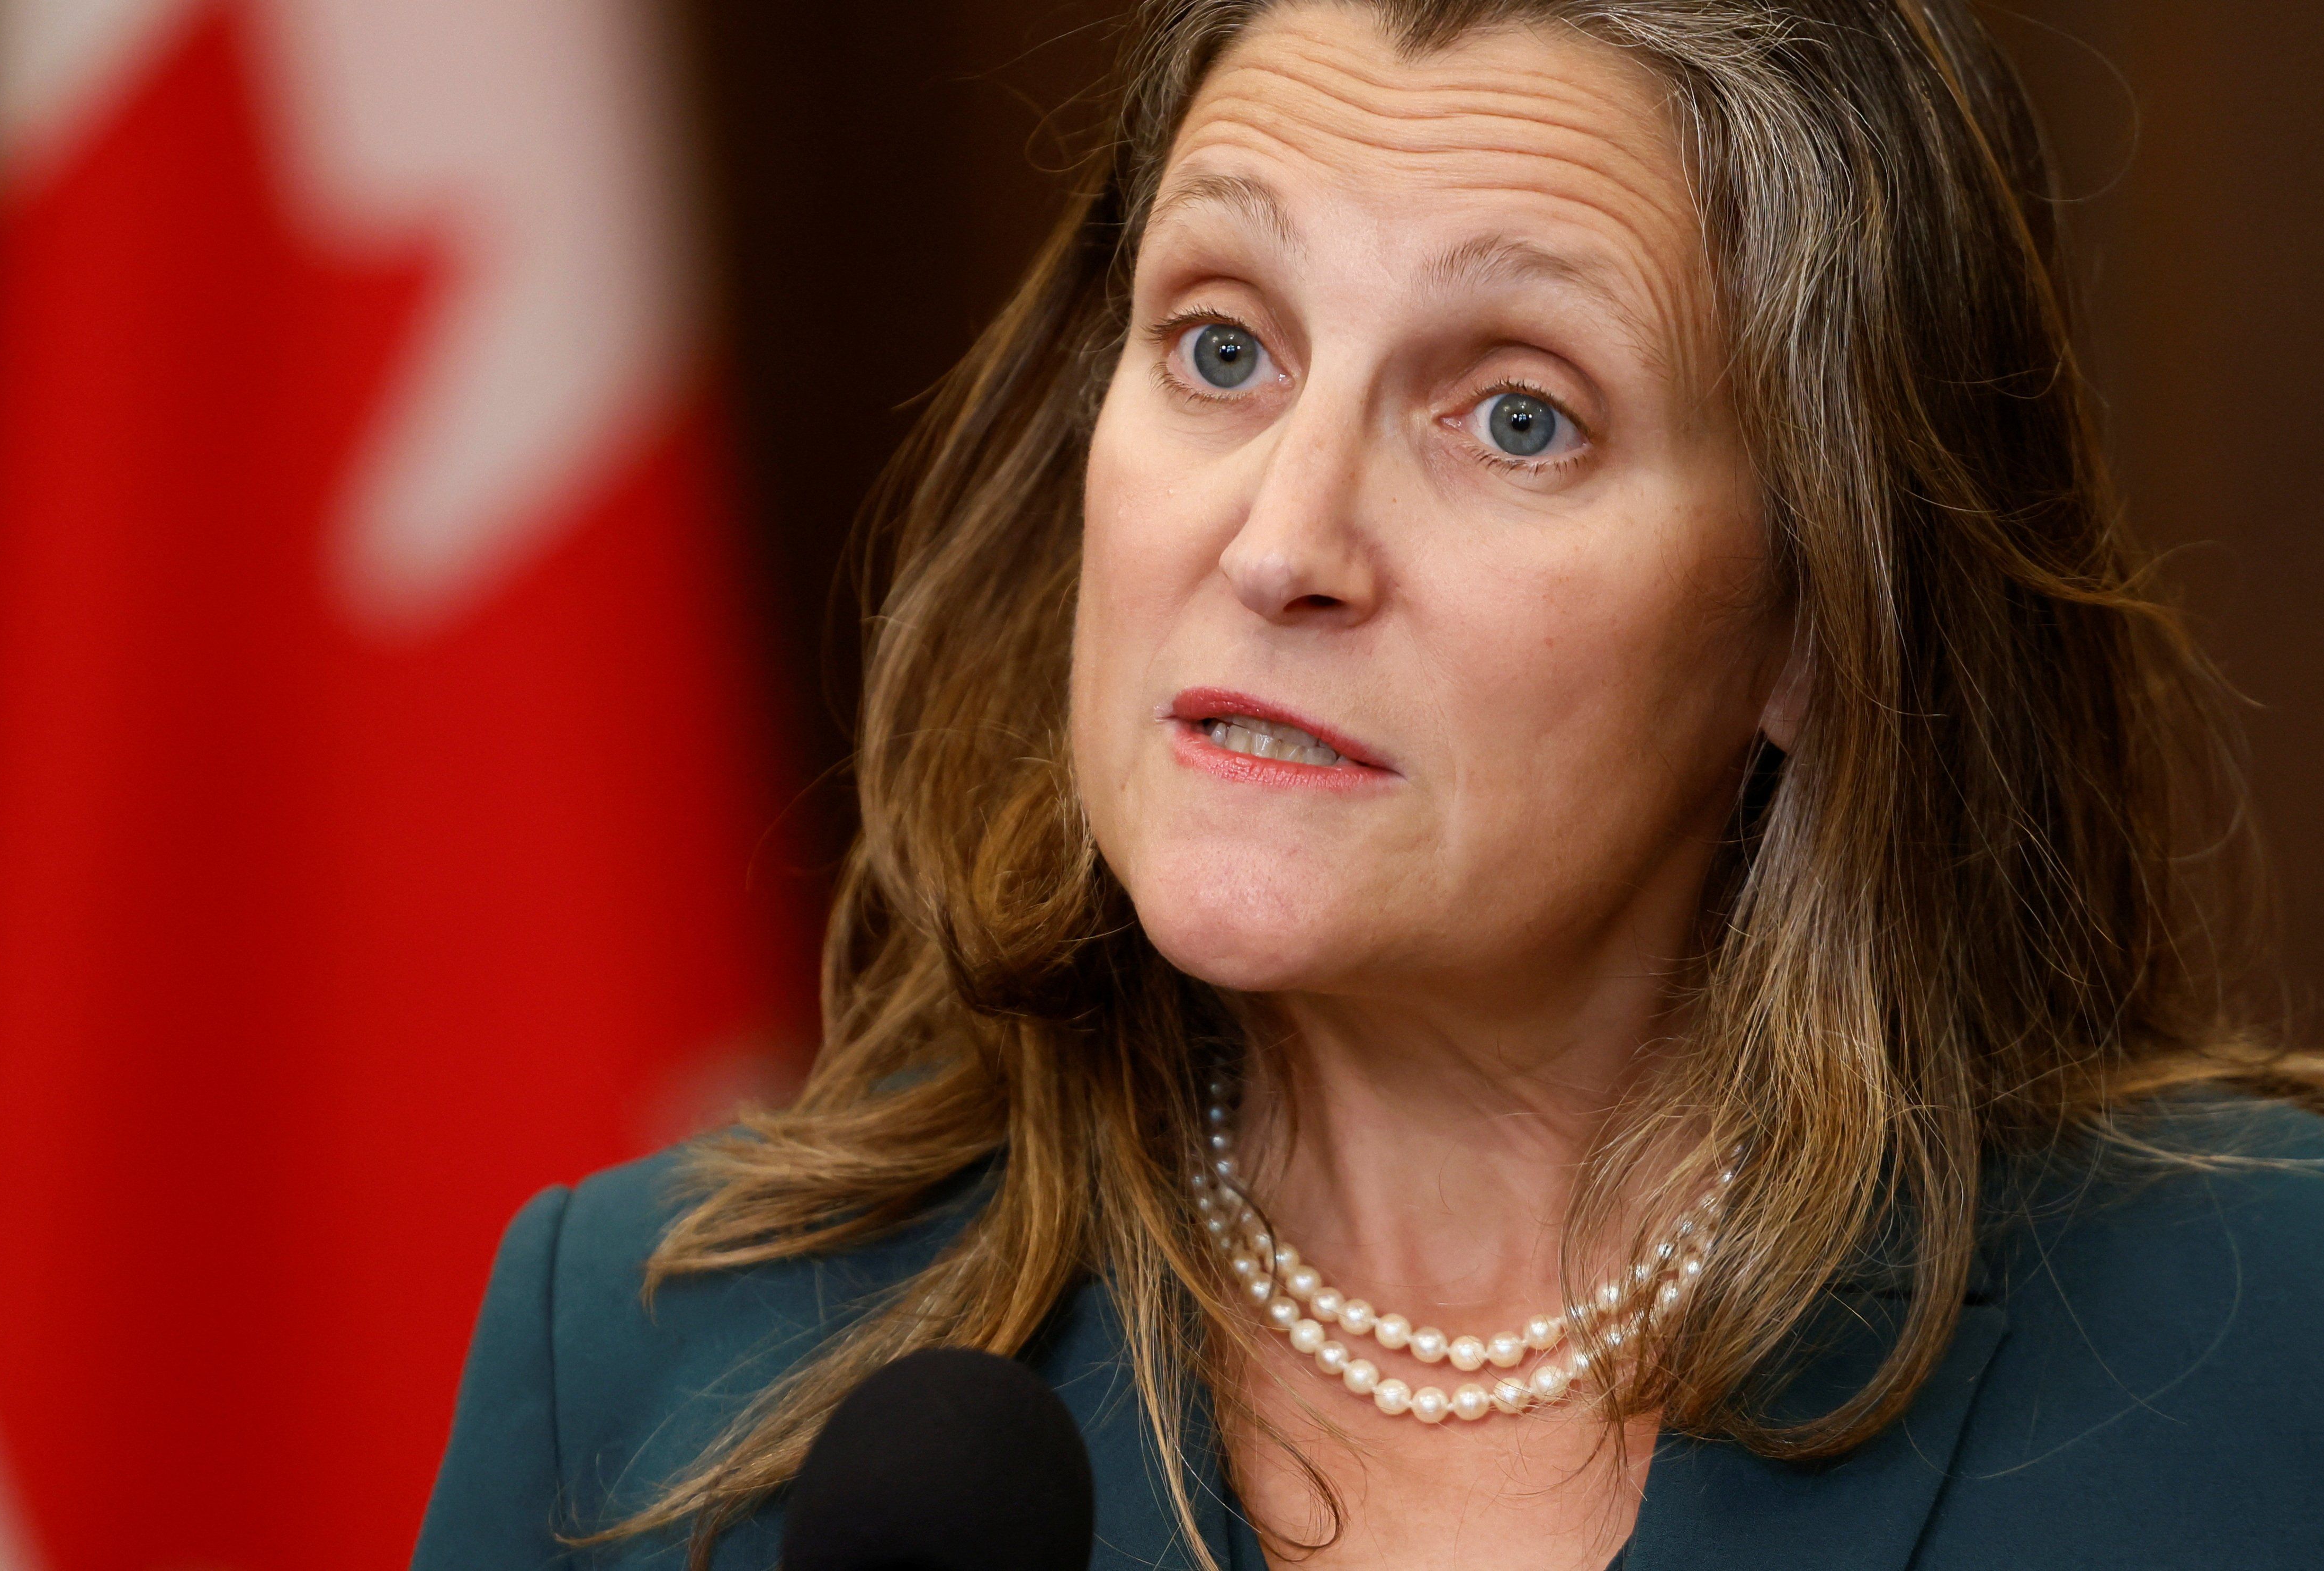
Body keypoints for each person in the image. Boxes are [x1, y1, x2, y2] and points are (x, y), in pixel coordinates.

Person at [412, 2, 2324, 1567]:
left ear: (1809, 627)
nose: (1282, 540)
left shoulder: (2271, 1337)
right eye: (1222, 346)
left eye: (1516, 416)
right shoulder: (649, 1360)